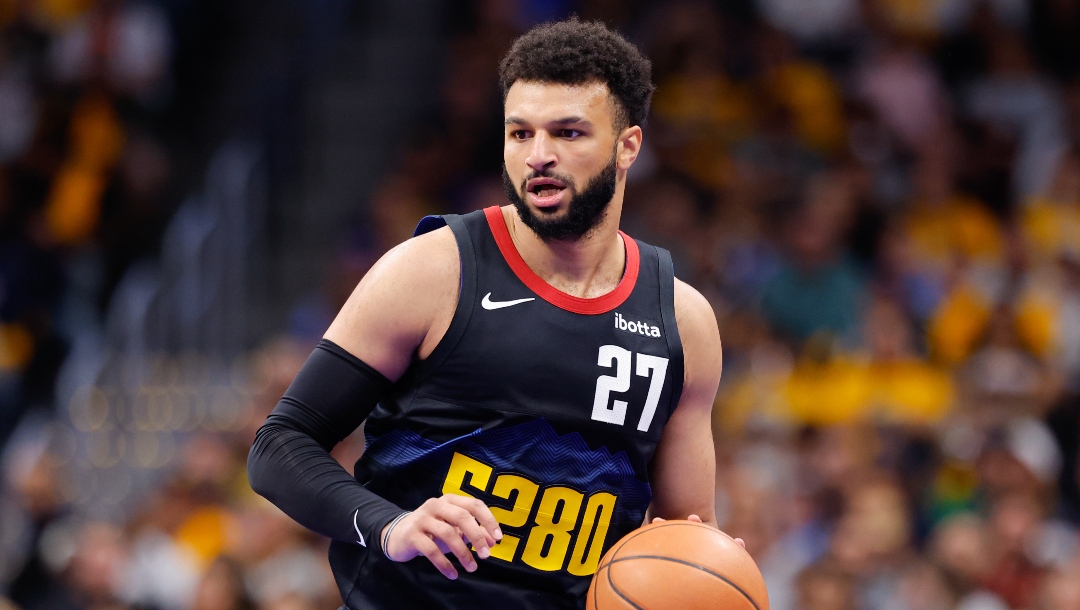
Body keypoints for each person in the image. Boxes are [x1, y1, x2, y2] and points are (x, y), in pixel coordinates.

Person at [248, 17, 724, 610]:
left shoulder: (683, 321)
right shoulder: (433, 270)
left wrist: (710, 572)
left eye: (568, 133)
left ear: (627, 146)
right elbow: (279, 445)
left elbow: (684, 534)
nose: (539, 156)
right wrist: (391, 525)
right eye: (520, 133)